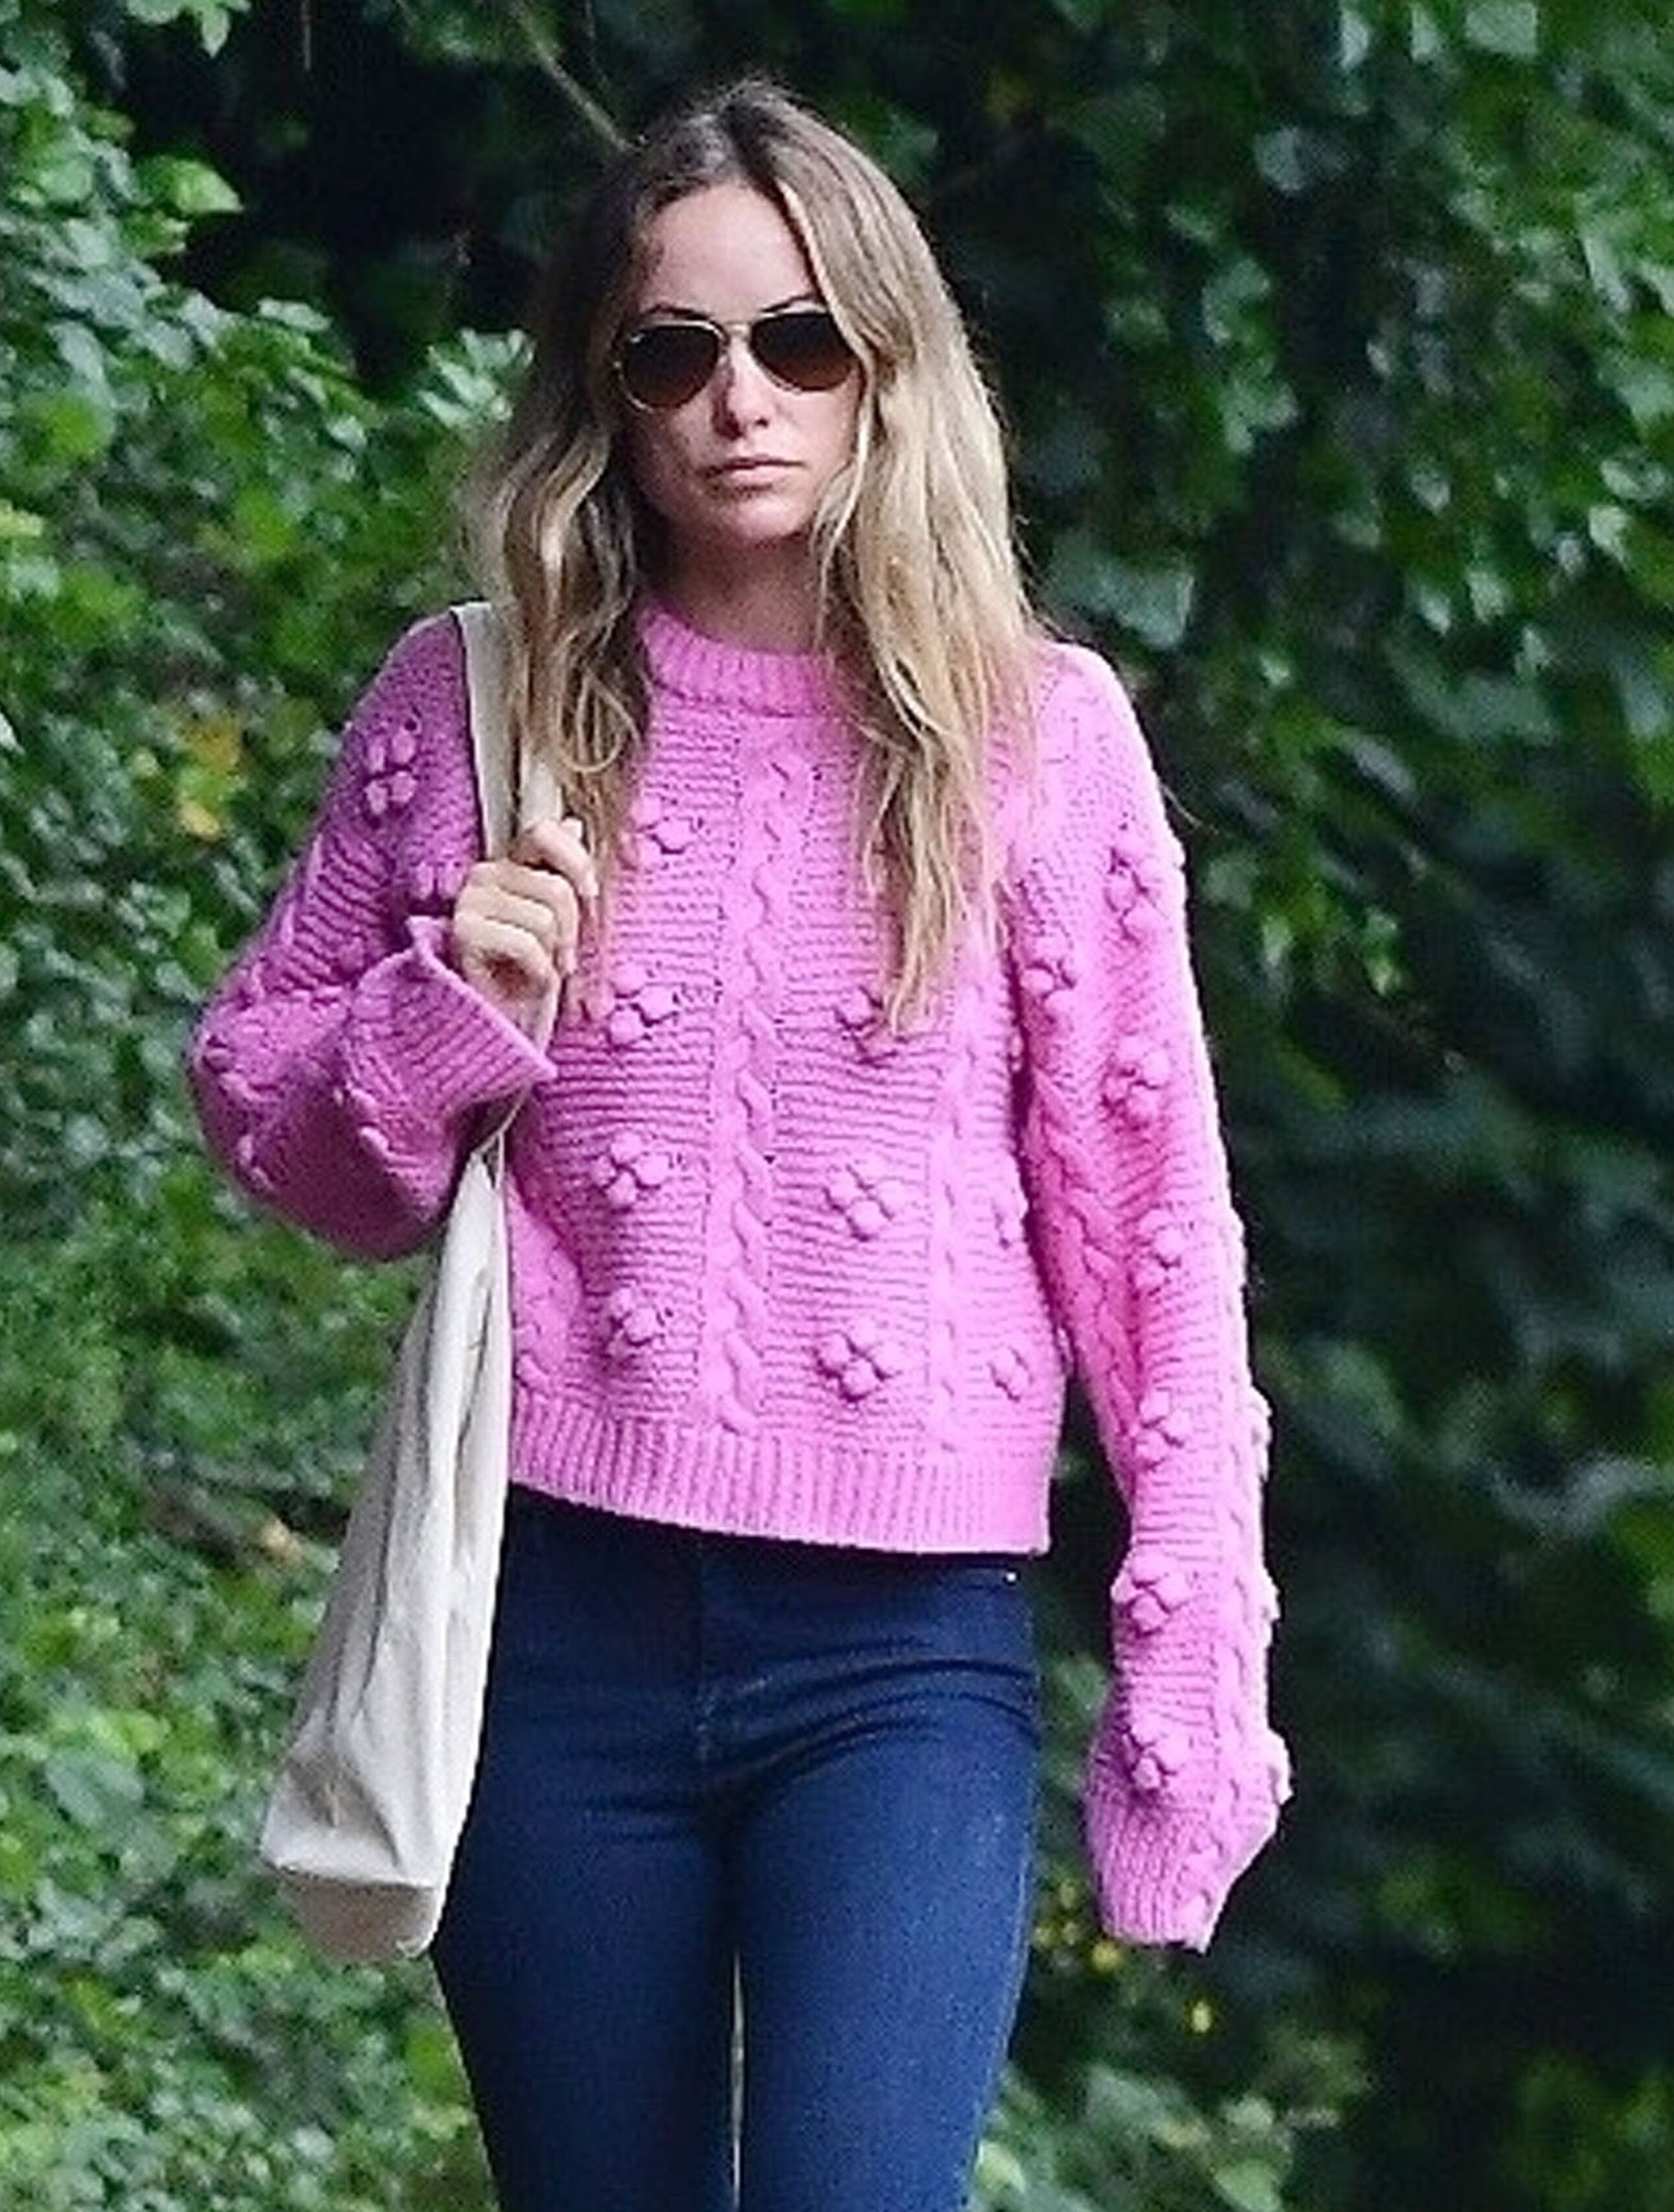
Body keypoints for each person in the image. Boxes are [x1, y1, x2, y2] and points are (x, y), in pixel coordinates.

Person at [187, 74, 1289, 2212]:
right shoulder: (475, 704)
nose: (739, 401)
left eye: (801, 340)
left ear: (890, 364)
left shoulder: (1038, 739)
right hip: (553, 1627)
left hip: (900, 1655)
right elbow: (276, 1120)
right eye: (671, 352)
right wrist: (448, 1008)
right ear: (603, 394)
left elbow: (1156, 1240)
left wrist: (1193, 1675)